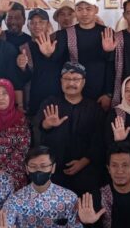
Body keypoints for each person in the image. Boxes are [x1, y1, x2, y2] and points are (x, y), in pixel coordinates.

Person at [37, 62, 105, 195]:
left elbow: (99, 140)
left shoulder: (94, 109)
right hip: (54, 169)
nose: (71, 83)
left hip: (85, 169)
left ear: (83, 82)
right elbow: (39, 129)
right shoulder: (50, 103)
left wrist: (83, 162)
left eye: (76, 79)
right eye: (67, 79)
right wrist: (47, 124)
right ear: (61, 81)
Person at [45, 0, 113, 111]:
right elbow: (57, 65)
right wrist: (49, 54)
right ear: (76, 11)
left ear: (96, 10)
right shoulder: (64, 35)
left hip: (100, 95)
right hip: (73, 95)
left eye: (88, 9)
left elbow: (112, 66)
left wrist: (108, 93)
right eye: (80, 9)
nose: (84, 13)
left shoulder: (107, 33)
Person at [16, 8, 62, 117]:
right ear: (28, 26)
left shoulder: (57, 43)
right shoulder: (24, 48)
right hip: (34, 104)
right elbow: (23, 79)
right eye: (33, 23)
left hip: (58, 102)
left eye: (41, 22)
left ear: (48, 24)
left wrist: (49, 55)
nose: (37, 25)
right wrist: (22, 67)